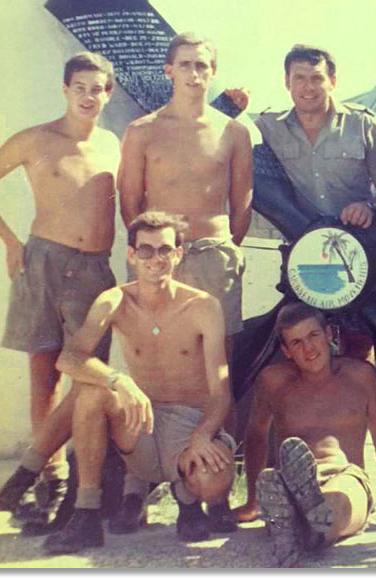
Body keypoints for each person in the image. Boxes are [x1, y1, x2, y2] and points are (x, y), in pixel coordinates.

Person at [0, 52, 119, 528]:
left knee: (88, 376)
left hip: (94, 271)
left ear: (108, 94)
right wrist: (10, 241)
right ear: (65, 89)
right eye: (80, 87)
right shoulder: (35, 139)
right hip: (43, 263)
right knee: (44, 376)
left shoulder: (113, 144)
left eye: (98, 89)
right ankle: (50, 483)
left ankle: (69, 478)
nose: (89, 96)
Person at [116, 32, 253, 529]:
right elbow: (130, 203)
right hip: (158, 259)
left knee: (219, 370)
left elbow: (242, 203)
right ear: (168, 70)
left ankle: (213, 492)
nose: (195, 73)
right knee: (152, 362)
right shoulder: (143, 131)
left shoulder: (232, 131)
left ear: (213, 73)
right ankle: (139, 484)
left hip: (213, 256)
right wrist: (154, 256)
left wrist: (219, 246)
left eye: (203, 65)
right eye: (186, 64)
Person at [41, 211, 236, 554]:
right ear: (132, 255)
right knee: (91, 392)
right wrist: (120, 381)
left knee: (214, 480)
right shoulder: (114, 299)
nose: (155, 259)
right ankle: (86, 515)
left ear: (178, 254)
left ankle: (188, 498)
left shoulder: (204, 307)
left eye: (164, 250)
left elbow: (220, 393)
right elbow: (68, 358)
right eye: (145, 250)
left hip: (188, 426)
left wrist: (203, 435)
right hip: (140, 424)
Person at [232, 302, 376, 566]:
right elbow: (256, 435)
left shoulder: (360, 376)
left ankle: (296, 528)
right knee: (289, 495)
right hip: (289, 479)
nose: (308, 348)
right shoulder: (273, 381)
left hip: (345, 475)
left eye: (313, 336)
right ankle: (299, 524)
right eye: (296, 343)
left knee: (336, 501)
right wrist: (252, 502)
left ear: (329, 334)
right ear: (286, 351)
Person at [254, 44, 376, 361]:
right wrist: (228, 102)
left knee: (357, 348)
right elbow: (218, 132)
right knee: (302, 346)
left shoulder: (362, 124)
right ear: (287, 82)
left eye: (317, 78)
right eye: (299, 78)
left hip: (357, 256)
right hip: (303, 257)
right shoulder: (268, 127)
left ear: (333, 81)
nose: (308, 87)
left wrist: (369, 207)